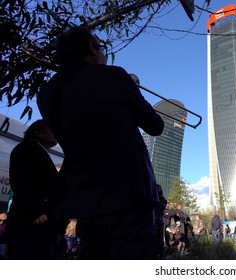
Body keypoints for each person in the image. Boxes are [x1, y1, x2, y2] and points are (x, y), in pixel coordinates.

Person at [36, 26, 164, 259]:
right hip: (129, 193)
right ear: (92, 50)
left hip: (85, 198)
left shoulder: (46, 93)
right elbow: (156, 126)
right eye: (101, 47)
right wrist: (133, 92)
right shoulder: (114, 76)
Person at [6, 120, 59, 259]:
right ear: (37, 132)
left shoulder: (36, 150)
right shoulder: (27, 149)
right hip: (32, 221)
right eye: (51, 128)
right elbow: (22, 183)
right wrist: (37, 211)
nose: (55, 132)